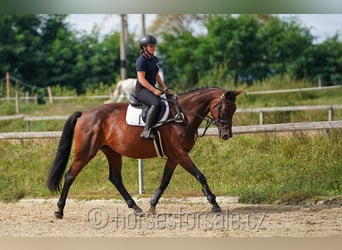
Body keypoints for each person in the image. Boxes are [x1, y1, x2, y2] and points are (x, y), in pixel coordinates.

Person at [135, 34, 170, 139]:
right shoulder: (141, 61)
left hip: (151, 88)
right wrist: (154, 90)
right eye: (151, 46)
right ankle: (146, 130)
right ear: (144, 47)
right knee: (155, 103)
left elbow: (156, 75)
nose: (153, 48)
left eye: (154, 46)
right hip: (142, 90)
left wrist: (165, 87)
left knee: (170, 100)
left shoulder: (154, 59)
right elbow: (141, 79)